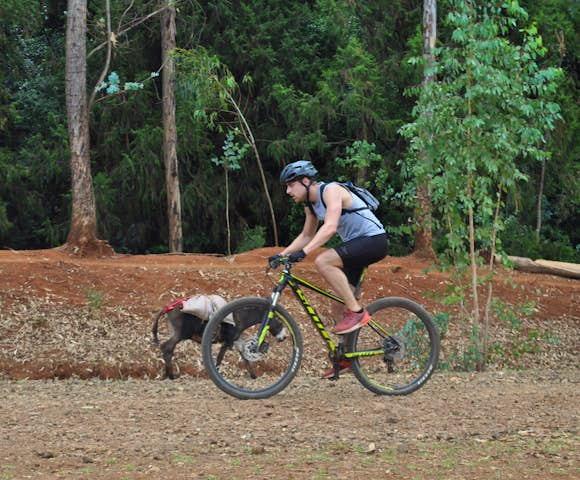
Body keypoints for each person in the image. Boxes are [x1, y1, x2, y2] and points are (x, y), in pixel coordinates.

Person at [270, 160, 388, 378]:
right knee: (336, 304)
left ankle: (357, 312)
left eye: (290, 185)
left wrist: (304, 253)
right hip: (356, 246)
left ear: (305, 182)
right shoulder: (311, 205)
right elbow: (306, 235)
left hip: (373, 240)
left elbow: (331, 227)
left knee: (323, 261)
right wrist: (283, 255)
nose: (287, 191)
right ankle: (347, 357)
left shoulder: (331, 190)